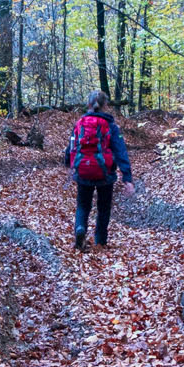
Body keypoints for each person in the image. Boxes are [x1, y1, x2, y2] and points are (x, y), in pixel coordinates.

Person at [63, 91, 134, 250]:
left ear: (88, 105)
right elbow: (120, 151)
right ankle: (100, 242)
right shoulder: (111, 126)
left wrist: (69, 164)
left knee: (83, 205)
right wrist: (127, 178)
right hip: (105, 173)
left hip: (83, 171)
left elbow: (72, 145)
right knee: (103, 207)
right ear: (105, 106)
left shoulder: (80, 123)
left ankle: (80, 229)